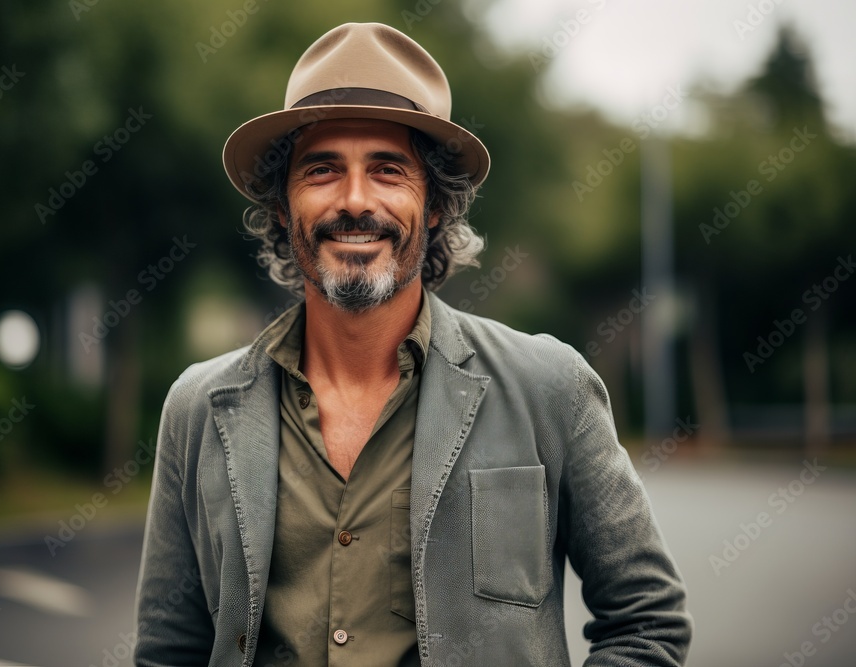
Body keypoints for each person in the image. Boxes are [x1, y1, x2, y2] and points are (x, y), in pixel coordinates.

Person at [135, 22, 691, 667]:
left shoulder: (550, 389)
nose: (354, 200)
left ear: (434, 206)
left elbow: (648, 623)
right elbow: (168, 652)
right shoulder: (198, 409)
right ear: (282, 207)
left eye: (388, 170)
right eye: (321, 169)